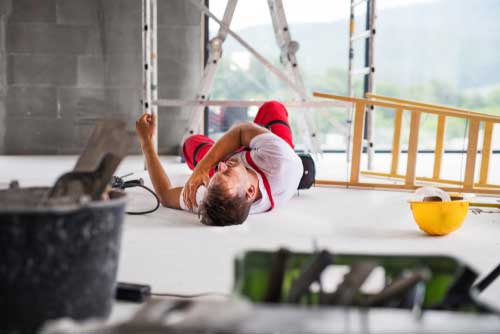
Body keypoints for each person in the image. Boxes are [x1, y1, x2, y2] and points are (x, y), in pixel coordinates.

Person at [136, 101, 303, 226]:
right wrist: (205, 167)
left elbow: (165, 195)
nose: (221, 167)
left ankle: (240, 149)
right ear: (250, 191)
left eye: (217, 174)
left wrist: (146, 142)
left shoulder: (213, 197)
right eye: (225, 173)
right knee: (272, 107)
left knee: (190, 144)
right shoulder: (279, 160)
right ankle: (260, 139)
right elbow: (240, 131)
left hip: (243, 161)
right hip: (275, 156)